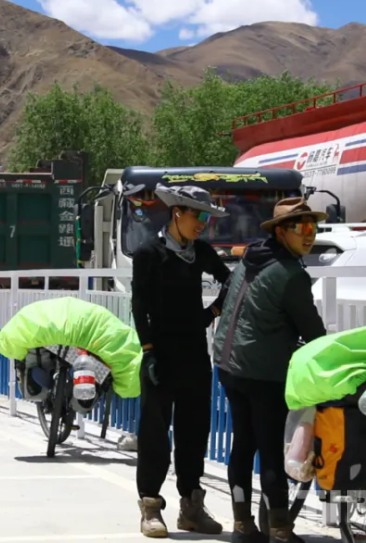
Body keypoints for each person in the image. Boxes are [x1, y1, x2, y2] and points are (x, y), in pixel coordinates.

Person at [210, 197, 329, 543]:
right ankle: (279, 529)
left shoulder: (251, 258)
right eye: (300, 227)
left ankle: (242, 526)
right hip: (261, 373)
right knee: (270, 450)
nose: (309, 233)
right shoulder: (291, 274)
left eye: (312, 226)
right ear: (280, 231)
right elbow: (314, 332)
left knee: (243, 445)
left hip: (229, 365)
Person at [131, 184, 232, 538]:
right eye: (198, 215)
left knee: (194, 430)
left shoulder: (201, 252)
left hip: (194, 355)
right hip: (159, 355)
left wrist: (212, 312)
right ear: (177, 213)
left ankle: (191, 506)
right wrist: (148, 350)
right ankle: (150, 506)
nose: (203, 223)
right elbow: (139, 305)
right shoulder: (149, 253)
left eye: (207, 216)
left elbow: (231, 281)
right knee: (155, 432)